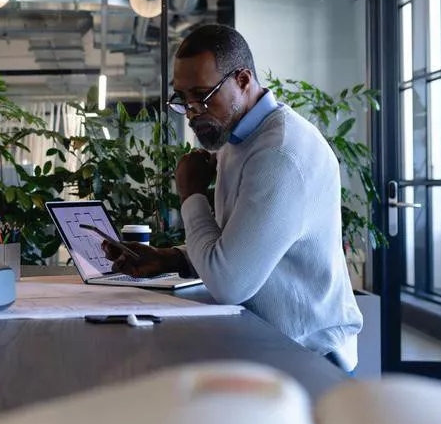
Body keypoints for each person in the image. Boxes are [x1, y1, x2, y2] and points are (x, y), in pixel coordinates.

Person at [103, 24, 362, 372]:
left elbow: (230, 283)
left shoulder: (278, 154)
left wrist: (191, 193)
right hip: (268, 347)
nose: (192, 111)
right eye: (182, 98)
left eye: (202, 96)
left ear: (242, 80)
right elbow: (242, 246)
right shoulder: (238, 138)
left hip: (307, 359)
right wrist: (172, 259)